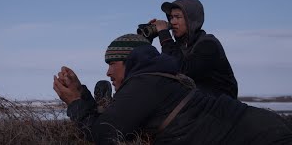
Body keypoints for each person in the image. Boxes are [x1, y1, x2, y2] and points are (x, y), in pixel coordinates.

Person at [53, 33, 292, 145]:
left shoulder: (145, 83)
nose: (107, 73)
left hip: (261, 136)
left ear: (129, 61)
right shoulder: (157, 79)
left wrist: (75, 102)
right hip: (260, 126)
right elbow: (117, 121)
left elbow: (103, 134)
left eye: (112, 64)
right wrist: (82, 93)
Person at [150, 0, 238, 99]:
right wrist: (147, 39)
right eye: (171, 17)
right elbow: (158, 68)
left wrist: (164, 35)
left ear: (191, 20)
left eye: (177, 17)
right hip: (197, 105)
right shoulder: (179, 47)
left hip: (220, 108)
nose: (172, 22)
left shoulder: (208, 44)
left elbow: (181, 70)